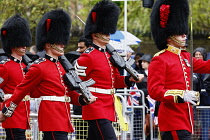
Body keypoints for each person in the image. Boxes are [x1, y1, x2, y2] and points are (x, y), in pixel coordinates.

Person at [0, 9, 96, 140]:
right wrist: (7, 110)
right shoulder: (37, 67)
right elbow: (22, 90)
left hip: (63, 117)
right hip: (51, 118)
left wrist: (81, 99)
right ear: (48, 43)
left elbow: (67, 92)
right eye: (58, 41)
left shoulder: (62, 66)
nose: (63, 44)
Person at [75, 1, 144, 140]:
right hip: (95, 106)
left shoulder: (108, 56)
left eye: (108, 32)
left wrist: (128, 79)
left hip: (108, 105)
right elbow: (77, 83)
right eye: (104, 33)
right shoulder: (87, 56)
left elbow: (113, 81)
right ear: (95, 35)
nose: (108, 35)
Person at [148, 0, 210, 139]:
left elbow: (206, 66)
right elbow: (154, 91)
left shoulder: (185, 57)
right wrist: (181, 95)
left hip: (186, 120)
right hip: (172, 121)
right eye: (179, 33)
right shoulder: (160, 59)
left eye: (184, 32)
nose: (184, 35)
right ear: (169, 36)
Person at [0, 14, 32, 140]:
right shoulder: (5, 67)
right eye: (20, 44)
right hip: (12, 116)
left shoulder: (26, 65)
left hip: (24, 115)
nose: (24, 46)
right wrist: (4, 97)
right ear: (13, 44)